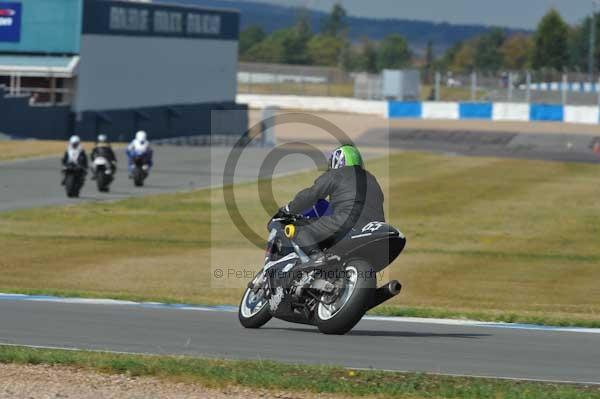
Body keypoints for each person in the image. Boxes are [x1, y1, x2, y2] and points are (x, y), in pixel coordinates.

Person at [277, 145, 385, 261]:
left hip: (348, 222)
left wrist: (289, 209)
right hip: (376, 225)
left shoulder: (337, 173)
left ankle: (317, 258)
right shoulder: (372, 178)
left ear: (337, 161)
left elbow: (312, 194)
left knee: (299, 229)